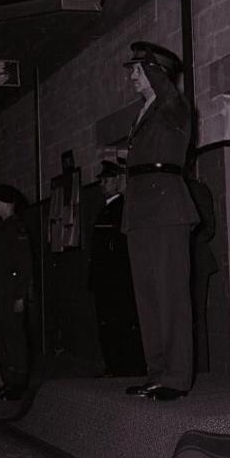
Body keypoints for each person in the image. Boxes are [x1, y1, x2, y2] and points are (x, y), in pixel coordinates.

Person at [121, 41, 200, 401]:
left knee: (170, 294)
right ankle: (157, 373)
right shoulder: (144, 112)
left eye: (139, 69)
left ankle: (176, 377)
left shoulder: (174, 107)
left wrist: (156, 68)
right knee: (148, 296)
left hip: (167, 209)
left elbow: (167, 91)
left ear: (157, 72)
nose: (132, 76)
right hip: (140, 211)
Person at [88, 160, 146, 377]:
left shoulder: (122, 207)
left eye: (106, 179)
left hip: (118, 280)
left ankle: (123, 366)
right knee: (108, 325)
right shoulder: (106, 209)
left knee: (121, 324)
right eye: (101, 180)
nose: (102, 184)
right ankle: (114, 365)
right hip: (105, 280)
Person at [0, 184, 33, 401]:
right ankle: (7, 380)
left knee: (14, 337)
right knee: (2, 335)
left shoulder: (17, 229)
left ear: (6, 205)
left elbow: (25, 266)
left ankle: (19, 381)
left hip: (12, 291)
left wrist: (21, 295)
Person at [185, 176, 218, 373]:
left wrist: (183, 242)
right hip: (179, 261)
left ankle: (201, 372)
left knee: (196, 317)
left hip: (196, 260)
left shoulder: (195, 188)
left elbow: (208, 228)